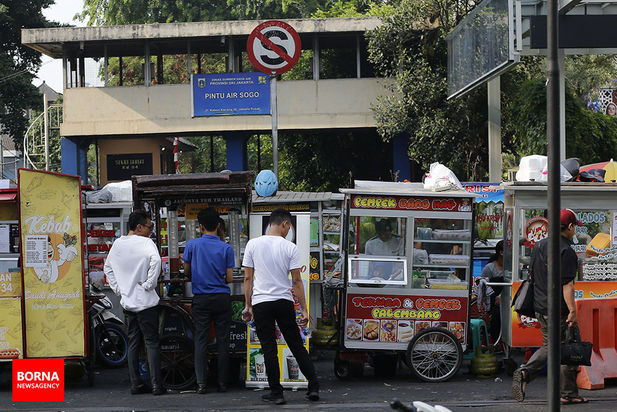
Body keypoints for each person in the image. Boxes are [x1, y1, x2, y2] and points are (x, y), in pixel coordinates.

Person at [242, 209, 319, 405]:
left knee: (268, 347)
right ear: (284, 223)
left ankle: (276, 392)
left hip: (261, 303)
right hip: (283, 302)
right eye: (289, 227)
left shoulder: (253, 244)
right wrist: (303, 309)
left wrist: (248, 305)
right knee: (296, 344)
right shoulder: (290, 247)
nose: (288, 231)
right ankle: (313, 387)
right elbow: (296, 281)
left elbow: (248, 278)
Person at [511, 209, 587, 405]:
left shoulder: (539, 246)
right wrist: (572, 311)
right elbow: (567, 285)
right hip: (559, 309)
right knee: (566, 347)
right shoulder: (566, 251)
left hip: (541, 307)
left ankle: (566, 390)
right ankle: (530, 375)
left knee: (552, 346)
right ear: (569, 227)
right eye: (574, 228)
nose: (574, 232)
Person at [104, 210, 164, 396]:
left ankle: (135, 384)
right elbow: (157, 261)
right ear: (139, 227)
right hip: (146, 303)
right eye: (149, 226)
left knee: (133, 343)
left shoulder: (117, 245)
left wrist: (119, 289)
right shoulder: (146, 243)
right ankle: (156, 385)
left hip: (128, 303)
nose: (150, 230)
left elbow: (108, 268)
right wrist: (148, 284)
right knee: (151, 343)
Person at [182, 208, 234, 394]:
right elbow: (229, 278)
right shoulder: (226, 248)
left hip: (201, 299)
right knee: (222, 341)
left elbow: (186, 271)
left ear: (200, 226)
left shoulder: (192, 245)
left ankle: (201, 383)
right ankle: (222, 383)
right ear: (219, 225)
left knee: (201, 340)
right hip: (221, 298)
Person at [480, 240, 505, 342]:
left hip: (509, 300)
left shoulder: (513, 267)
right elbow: (482, 286)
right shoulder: (489, 268)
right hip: (494, 303)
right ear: (501, 252)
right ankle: (496, 341)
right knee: (497, 315)